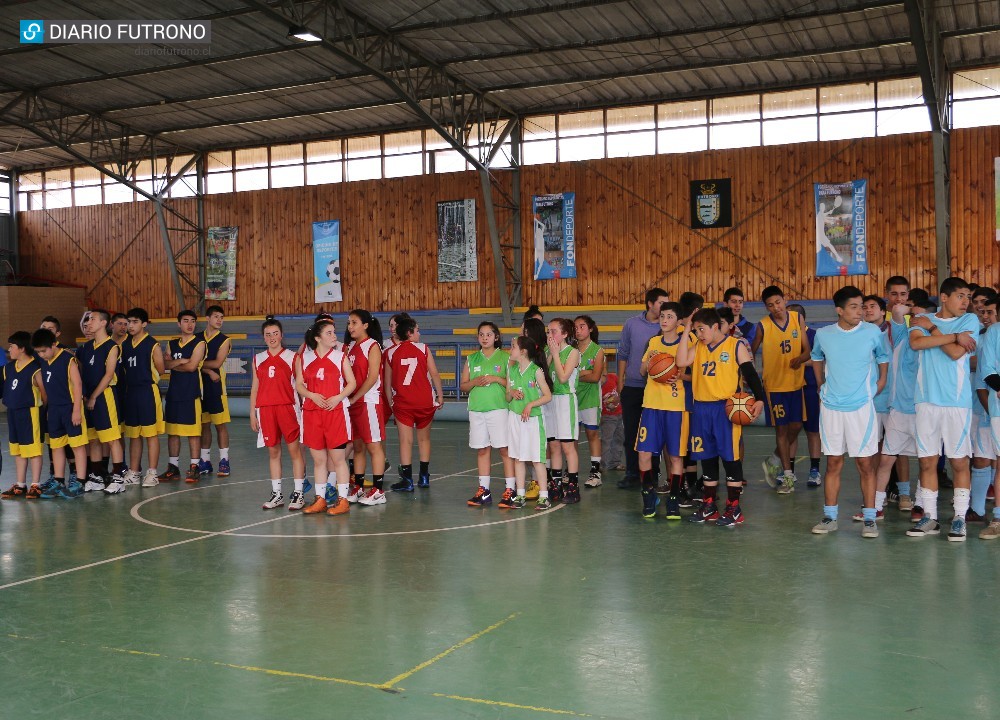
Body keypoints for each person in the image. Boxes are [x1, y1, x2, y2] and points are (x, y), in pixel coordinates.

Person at [808, 286, 890, 538]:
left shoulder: (872, 331)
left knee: (865, 464)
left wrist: (880, 383)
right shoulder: (824, 334)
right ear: (840, 310)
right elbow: (816, 357)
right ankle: (830, 516)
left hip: (861, 409)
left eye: (862, 306)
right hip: (832, 409)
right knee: (833, 462)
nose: (860, 311)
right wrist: (821, 385)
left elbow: (883, 357)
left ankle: (869, 518)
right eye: (854, 307)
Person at [676, 308, 765, 527]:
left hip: (725, 409)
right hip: (701, 409)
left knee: (730, 458)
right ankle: (709, 504)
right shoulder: (698, 346)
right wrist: (687, 327)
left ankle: (734, 508)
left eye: (701, 329)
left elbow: (751, 374)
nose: (699, 334)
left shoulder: (735, 346)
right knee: (706, 457)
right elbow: (680, 362)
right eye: (696, 330)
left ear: (715, 326)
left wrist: (760, 399)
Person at [906, 277, 979, 540]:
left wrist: (935, 330)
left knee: (960, 461)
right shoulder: (920, 320)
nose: (966, 302)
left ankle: (959, 518)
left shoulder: (970, 322)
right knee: (927, 461)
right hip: (926, 401)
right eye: (961, 296)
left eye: (968, 297)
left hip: (957, 402)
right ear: (944, 297)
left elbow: (956, 353)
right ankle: (930, 517)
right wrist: (951, 337)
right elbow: (916, 343)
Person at [875, 289, 934, 518]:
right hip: (899, 410)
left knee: (926, 462)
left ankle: (920, 505)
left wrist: (927, 318)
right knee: (886, 460)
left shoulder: (933, 338)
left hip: (924, 410)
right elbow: (898, 310)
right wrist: (915, 311)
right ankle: (876, 507)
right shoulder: (901, 334)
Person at [295, 317, 357, 515]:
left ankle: (343, 500)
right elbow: (298, 384)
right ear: (317, 338)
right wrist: (311, 394)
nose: (334, 336)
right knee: (319, 460)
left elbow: (352, 383)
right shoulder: (304, 358)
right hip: (312, 413)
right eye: (329, 333)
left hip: (335, 413)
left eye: (334, 332)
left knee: (339, 459)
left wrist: (338, 397)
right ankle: (320, 499)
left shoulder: (340, 357)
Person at [752, 286, 810, 493]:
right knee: (782, 429)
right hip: (775, 386)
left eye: (778, 302)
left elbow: (807, 350)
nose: (775, 308)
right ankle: (787, 477)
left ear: (785, 300)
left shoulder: (797, 319)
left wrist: (800, 359)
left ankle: (774, 459)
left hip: (796, 383)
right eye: (770, 305)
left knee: (796, 426)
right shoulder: (762, 326)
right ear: (766, 307)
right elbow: (750, 352)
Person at [636, 302, 688, 519]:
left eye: (670, 316)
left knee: (676, 456)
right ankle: (648, 494)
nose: (665, 320)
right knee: (644, 453)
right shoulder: (654, 342)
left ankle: (674, 499)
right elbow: (641, 371)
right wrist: (651, 364)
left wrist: (680, 376)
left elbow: (696, 375)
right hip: (651, 405)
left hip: (676, 407)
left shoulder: (687, 341)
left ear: (678, 321)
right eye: (663, 316)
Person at [251, 317, 307, 511]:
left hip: (288, 408)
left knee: (294, 451)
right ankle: (277, 494)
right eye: (268, 334)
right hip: (266, 410)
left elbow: (300, 387)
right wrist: (253, 413)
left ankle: (298, 493)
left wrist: (305, 410)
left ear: (282, 335)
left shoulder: (293, 357)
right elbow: (255, 388)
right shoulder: (258, 359)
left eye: (275, 333)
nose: (272, 337)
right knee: (273, 452)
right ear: (263, 338)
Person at [617, 287, 670, 489]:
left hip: (656, 389)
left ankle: (653, 474)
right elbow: (623, 353)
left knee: (653, 434)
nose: (664, 307)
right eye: (661, 303)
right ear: (650, 303)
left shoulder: (668, 327)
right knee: (631, 433)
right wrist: (621, 381)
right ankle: (632, 473)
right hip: (632, 387)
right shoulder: (631, 324)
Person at [385, 317, 443, 491]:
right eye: (417, 330)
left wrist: (390, 403)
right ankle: (424, 477)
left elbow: (387, 383)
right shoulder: (424, 348)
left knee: (405, 441)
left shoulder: (389, 352)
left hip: (403, 404)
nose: (419, 333)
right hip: (424, 401)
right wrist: (440, 395)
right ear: (409, 333)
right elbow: (435, 374)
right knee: (424, 439)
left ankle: (407, 480)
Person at [32, 328, 89, 498]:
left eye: (43, 351)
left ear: (54, 344)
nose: (41, 354)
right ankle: (58, 480)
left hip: (70, 407)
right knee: (56, 446)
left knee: (77, 446)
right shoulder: (44, 361)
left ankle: (80, 482)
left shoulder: (67, 359)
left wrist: (77, 410)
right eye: (38, 352)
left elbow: (78, 385)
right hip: (54, 409)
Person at [462, 321, 514, 507]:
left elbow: (512, 382)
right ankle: (484, 490)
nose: (484, 338)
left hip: (498, 409)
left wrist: (496, 379)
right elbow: (463, 385)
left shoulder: (505, 358)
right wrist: (474, 382)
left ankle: (511, 490)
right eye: (481, 335)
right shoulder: (471, 359)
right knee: (482, 449)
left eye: (488, 334)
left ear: (496, 337)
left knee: (504, 449)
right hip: (477, 410)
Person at [77, 309, 128, 494]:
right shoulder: (86, 347)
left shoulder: (111, 347)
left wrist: (93, 396)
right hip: (88, 398)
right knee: (94, 439)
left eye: (93, 319)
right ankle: (97, 476)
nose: (89, 322)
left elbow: (108, 375)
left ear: (103, 323)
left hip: (104, 397)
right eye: (88, 319)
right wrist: (84, 395)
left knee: (112, 439)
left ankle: (118, 478)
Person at [500, 335, 553, 510]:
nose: (510, 349)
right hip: (515, 419)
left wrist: (530, 404)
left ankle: (544, 496)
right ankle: (520, 494)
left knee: (537, 459)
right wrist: (512, 392)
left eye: (513, 346)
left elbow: (547, 396)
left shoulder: (536, 371)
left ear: (523, 351)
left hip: (533, 421)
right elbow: (507, 397)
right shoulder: (511, 370)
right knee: (518, 458)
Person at [345, 309, 389, 506]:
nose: (350, 326)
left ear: (365, 325)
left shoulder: (372, 346)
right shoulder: (351, 347)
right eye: (349, 323)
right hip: (354, 402)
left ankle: (379, 490)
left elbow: (372, 377)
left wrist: (356, 398)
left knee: (373, 445)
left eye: (354, 322)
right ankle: (359, 486)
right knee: (358, 446)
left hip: (368, 402)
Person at [160, 310, 207, 484]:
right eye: (186, 321)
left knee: (193, 433)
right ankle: (173, 468)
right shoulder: (171, 344)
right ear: (179, 324)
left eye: (193, 321)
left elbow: (192, 367)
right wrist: (180, 361)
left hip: (191, 393)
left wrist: (175, 364)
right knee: (172, 432)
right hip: (173, 393)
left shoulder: (199, 343)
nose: (190, 324)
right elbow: (164, 365)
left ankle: (195, 468)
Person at [120, 307, 165, 488]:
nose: (130, 325)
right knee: (134, 435)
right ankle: (134, 472)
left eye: (135, 322)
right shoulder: (124, 344)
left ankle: (152, 473)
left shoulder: (152, 344)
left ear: (144, 324)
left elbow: (161, 369)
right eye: (129, 322)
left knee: (150, 434)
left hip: (147, 391)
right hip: (130, 392)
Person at [0, 331, 45, 499]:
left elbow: (44, 393)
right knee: (18, 450)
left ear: (22, 348)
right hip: (13, 412)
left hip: (29, 412)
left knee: (33, 450)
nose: (9, 350)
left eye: (11, 346)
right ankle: (20, 485)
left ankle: (35, 484)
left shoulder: (35, 368)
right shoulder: (9, 368)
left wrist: (43, 410)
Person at [545, 318, 582, 503]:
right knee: (553, 446)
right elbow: (543, 375)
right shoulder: (549, 352)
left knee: (567, 445)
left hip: (566, 401)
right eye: (548, 332)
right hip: (550, 401)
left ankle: (573, 486)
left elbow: (562, 377)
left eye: (553, 331)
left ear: (565, 334)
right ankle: (556, 484)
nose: (550, 335)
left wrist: (556, 354)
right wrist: (551, 354)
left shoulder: (573, 352)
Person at [970, 293, 998, 525]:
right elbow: (982, 382)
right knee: (981, 459)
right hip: (985, 409)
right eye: (983, 312)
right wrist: (990, 412)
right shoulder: (986, 337)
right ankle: (977, 510)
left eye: (990, 312)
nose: (985, 316)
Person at [787, 304, 823, 487]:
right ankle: (788, 470)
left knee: (812, 431)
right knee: (789, 430)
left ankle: (814, 470)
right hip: (790, 388)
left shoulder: (815, 335)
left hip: (809, 388)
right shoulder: (783, 335)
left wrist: (800, 362)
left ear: (801, 318)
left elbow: (820, 359)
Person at [198, 305, 233, 478]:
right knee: (204, 425)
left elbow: (217, 363)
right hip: (199, 387)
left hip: (217, 388)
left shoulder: (224, 340)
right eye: (216, 316)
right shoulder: (197, 338)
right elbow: (191, 362)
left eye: (221, 317)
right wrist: (207, 370)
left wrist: (198, 365)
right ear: (207, 318)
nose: (219, 320)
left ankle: (224, 461)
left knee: (220, 425)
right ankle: (204, 461)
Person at [574, 315, 606, 487]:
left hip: (591, 398)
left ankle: (595, 471)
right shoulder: (571, 350)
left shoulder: (597, 350)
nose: (578, 330)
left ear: (590, 329)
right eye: (576, 327)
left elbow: (595, 377)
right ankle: (571, 470)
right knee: (572, 437)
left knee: (592, 434)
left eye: (582, 326)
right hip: (572, 398)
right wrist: (584, 373)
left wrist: (578, 375)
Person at [600, 371, 624, 471]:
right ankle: (603, 464)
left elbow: (621, 385)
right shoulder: (597, 386)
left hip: (619, 414)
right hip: (607, 417)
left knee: (619, 438)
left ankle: (616, 462)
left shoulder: (613, 377)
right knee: (606, 440)